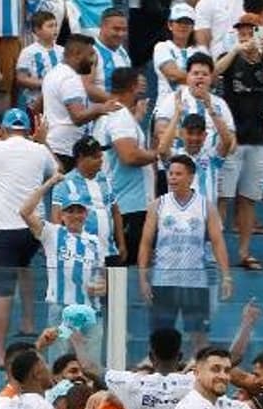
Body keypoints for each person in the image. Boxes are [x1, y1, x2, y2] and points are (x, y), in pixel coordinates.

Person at [0, 108, 57, 368]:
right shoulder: (38, 150)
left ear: (3, 129)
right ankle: (28, 320)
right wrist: (43, 142)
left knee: (3, 293)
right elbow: (58, 171)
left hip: (4, 229)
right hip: (32, 227)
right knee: (25, 267)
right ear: (28, 129)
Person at [138, 154, 233, 352]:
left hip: (194, 281)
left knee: (199, 337)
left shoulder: (205, 205)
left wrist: (226, 276)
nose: (172, 178)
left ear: (191, 177)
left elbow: (217, 242)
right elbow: (146, 243)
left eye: (178, 174)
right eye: (170, 174)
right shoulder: (158, 205)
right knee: (160, 337)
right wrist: (143, 277)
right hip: (164, 280)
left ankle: (198, 375)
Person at [216, 12, 263, 270]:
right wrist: (236, 50)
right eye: (241, 30)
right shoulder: (229, 57)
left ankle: (244, 252)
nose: (245, 34)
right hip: (233, 137)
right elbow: (215, 74)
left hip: (258, 136)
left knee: (249, 197)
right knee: (224, 196)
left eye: (250, 30)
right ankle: (217, 251)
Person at [21, 171, 107, 326]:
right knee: (59, 351)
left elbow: (100, 277)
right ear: (61, 215)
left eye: (79, 211)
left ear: (86, 214)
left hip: (89, 310)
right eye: (70, 211)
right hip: (61, 308)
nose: (75, 216)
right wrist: (49, 183)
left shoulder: (95, 241)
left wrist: (101, 286)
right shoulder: (52, 233)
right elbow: (25, 212)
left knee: (88, 352)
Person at [92, 67, 157, 268]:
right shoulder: (120, 116)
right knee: (120, 268)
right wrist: (156, 154)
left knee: (118, 269)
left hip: (124, 204)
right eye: (139, 84)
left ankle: (115, 300)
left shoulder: (115, 114)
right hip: (128, 206)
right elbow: (129, 155)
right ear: (132, 87)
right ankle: (117, 301)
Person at [43, 34, 118, 172]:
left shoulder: (53, 73)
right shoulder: (70, 79)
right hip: (66, 150)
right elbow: (77, 117)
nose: (92, 60)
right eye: (90, 55)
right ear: (77, 54)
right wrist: (101, 108)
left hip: (54, 144)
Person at [51, 135, 122, 262]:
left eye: (101, 156)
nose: (100, 160)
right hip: (82, 256)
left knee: (117, 282)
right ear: (81, 158)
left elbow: (115, 212)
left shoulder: (105, 180)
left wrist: (122, 244)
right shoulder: (65, 183)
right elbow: (56, 219)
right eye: (95, 157)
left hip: (111, 252)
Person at [154, 4, 204, 106]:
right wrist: (201, 78)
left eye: (187, 22)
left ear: (193, 27)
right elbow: (173, 75)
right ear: (170, 25)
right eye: (179, 22)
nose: (183, 26)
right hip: (167, 108)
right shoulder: (162, 47)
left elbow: (212, 77)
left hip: (195, 107)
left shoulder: (200, 50)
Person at [15, 10, 60, 114]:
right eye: (50, 26)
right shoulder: (28, 52)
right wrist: (46, 84)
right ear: (37, 30)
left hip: (58, 103)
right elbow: (21, 78)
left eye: (55, 25)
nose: (55, 29)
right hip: (35, 102)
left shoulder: (62, 51)